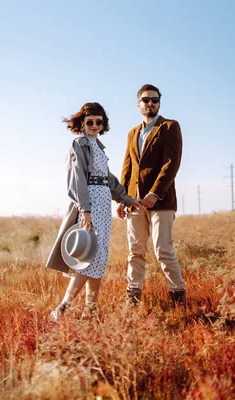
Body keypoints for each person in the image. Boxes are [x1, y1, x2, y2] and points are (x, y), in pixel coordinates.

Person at [46, 102, 139, 320]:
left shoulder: (97, 145)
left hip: (103, 201)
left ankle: (91, 310)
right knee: (90, 256)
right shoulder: (79, 144)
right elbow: (76, 178)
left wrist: (127, 200)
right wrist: (85, 210)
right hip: (90, 203)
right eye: (90, 122)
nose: (95, 125)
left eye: (99, 122)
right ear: (82, 123)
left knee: (99, 256)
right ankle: (62, 308)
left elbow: (108, 179)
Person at [117, 84, 186, 305]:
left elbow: (171, 163)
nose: (151, 103)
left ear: (159, 102)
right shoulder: (132, 133)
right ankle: (133, 298)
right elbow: (127, 167)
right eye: (146, 100)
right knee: (135, 250)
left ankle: (177, 297)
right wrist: (121, 197)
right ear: (138, 105)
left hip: (161, 202)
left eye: (155, 100)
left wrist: (155, 193)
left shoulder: (169, 127)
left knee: (162, 249)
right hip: (134, 202)